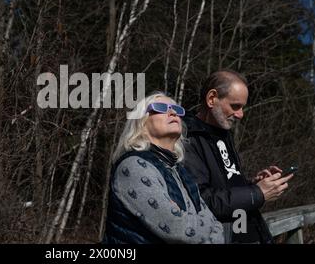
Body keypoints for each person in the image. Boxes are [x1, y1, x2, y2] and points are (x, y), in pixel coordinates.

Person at [183, 70, 293, 244]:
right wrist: (256, 193)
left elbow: (227, 185)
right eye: (235, 106)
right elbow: (201, 200)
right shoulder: (187, 138)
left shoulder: (224, 134)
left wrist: (253, 184)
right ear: (211, 99)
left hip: (253, 232)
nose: (241, 114)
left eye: (242, 107)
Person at [103, 92, 224, 244]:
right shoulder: (134, 166)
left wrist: (197, 222)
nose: (173, 112)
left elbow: (217, 226)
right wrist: (203, 224)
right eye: (160, 107)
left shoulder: (179, 171)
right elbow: (179, 228)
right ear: (141, 121)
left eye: (177, 109)